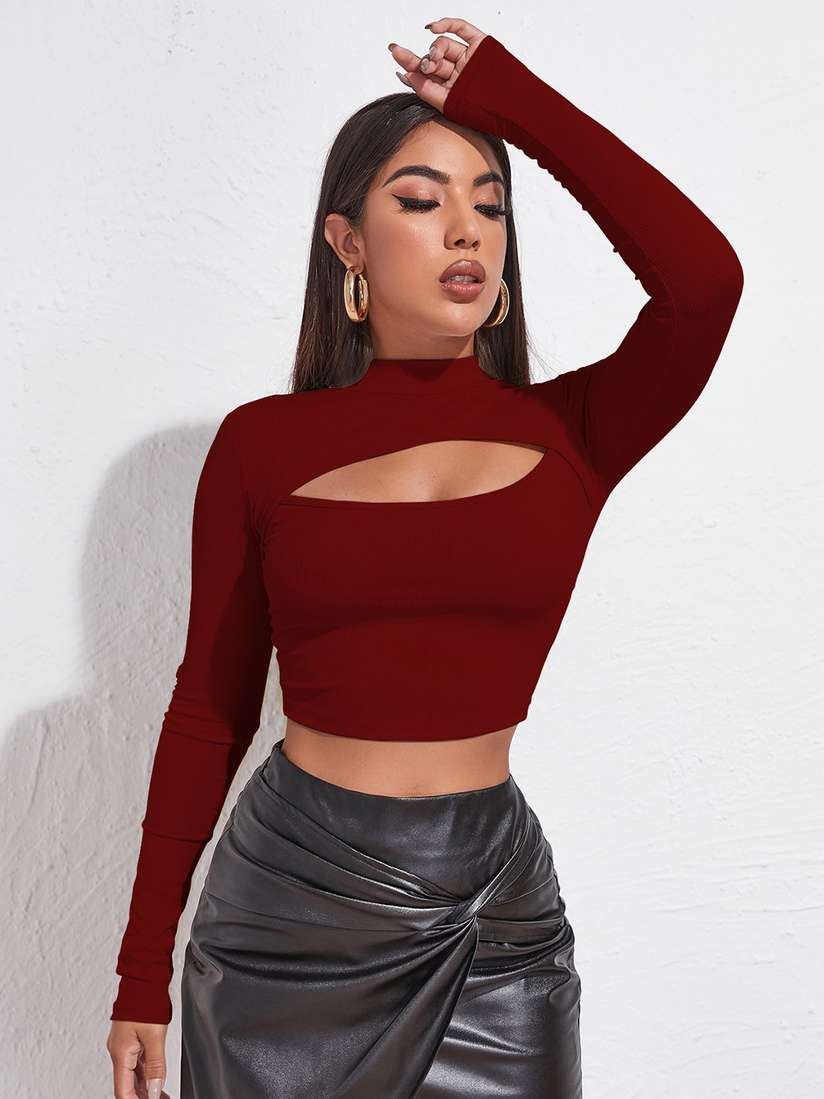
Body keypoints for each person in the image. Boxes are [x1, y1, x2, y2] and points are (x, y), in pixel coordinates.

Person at [106, 16, 743, 1099]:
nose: (466, 231)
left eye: (489, 206)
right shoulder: (262, 445)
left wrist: (514, 106)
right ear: (346, 242)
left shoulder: (574, 433)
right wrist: (139, 974)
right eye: (420, 200)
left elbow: (704, 285)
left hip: (492, 927)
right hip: (288, 918)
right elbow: (209, 709)